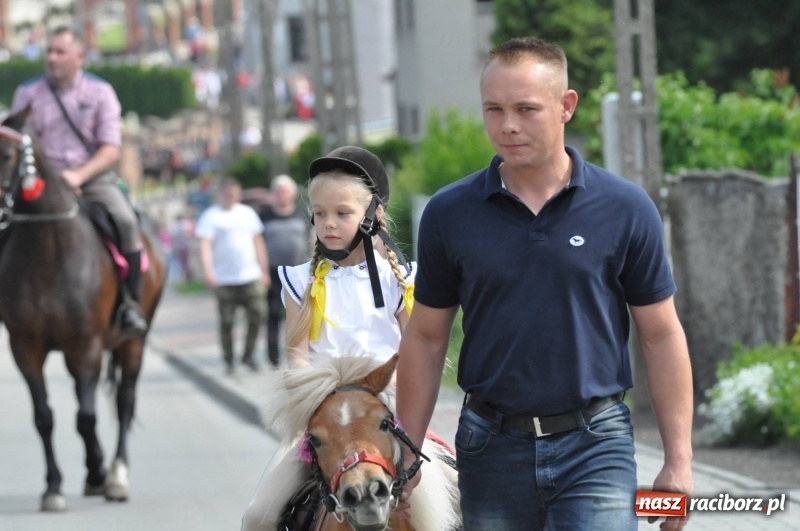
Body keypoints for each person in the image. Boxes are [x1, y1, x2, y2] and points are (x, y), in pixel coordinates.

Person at [395, 36, 694, 531]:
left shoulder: (625, 208)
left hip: (596, 443)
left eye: (526, 108)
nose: (507, 125)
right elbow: (426, 337)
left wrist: (679, 459)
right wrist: (408, 447)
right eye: (493, 109)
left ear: (566, 106)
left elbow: (660, 334)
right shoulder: (450, 213)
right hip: (489, 447)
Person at [241, 146, 416, 530]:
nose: (329, 224)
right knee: (257, 516)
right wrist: (323, 395)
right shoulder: (299, 281)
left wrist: (387, 393)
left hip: (392, 414)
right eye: (320, 214)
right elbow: (298, 358)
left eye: (342, 213)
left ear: (373, 216)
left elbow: (417, 352)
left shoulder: (400, 279)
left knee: (466, 499)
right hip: (326, 419)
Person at [10, 25, 148, 336]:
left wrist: (78, 175)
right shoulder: (28, 93)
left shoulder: (100, 93)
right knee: (6, 222)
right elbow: (17, 140)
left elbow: (111, 148)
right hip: (41, 181)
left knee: (126, 221)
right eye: (49, 51)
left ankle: (130, 304)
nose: (52, 58)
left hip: (91, 178)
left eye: (60, 52)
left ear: (79, 57)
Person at [195, 178, 270, 374]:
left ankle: (249, 355)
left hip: (250, 275)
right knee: (227, 322)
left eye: (234, 192)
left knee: (258, 314)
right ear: (221, 193)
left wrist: (264, 270)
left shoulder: (247, 213)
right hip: (224, 279)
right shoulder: (211, 216)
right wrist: (208, 272)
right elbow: (204, 246)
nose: (230, 195)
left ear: (239, 194)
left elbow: (258, 242)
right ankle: (229, 361)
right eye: (227, 192)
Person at [258, 174, 311, 366]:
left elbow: (312, 239)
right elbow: (257, 244)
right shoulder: (264, 217)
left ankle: (300, 355)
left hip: (299, 274)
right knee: (273, 314)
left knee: (302, 315)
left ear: (293, 194)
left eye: (285, 191)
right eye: (278, 191)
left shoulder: (302, 214)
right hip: (273, 273)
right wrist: (262, 271)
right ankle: (273, 357)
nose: (282, 195)